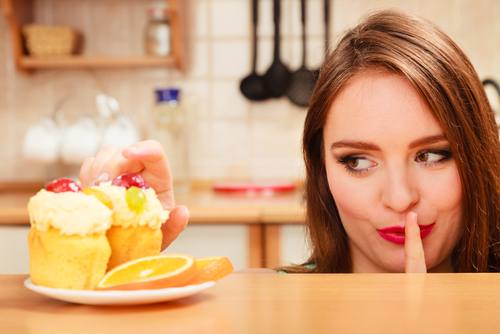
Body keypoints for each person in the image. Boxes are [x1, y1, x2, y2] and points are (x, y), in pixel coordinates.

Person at [79, 9, 500, 274]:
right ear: (321, 172)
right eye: (357, 160)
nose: (399, 197)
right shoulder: (270, 305)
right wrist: (124, 276)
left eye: (431, 155)